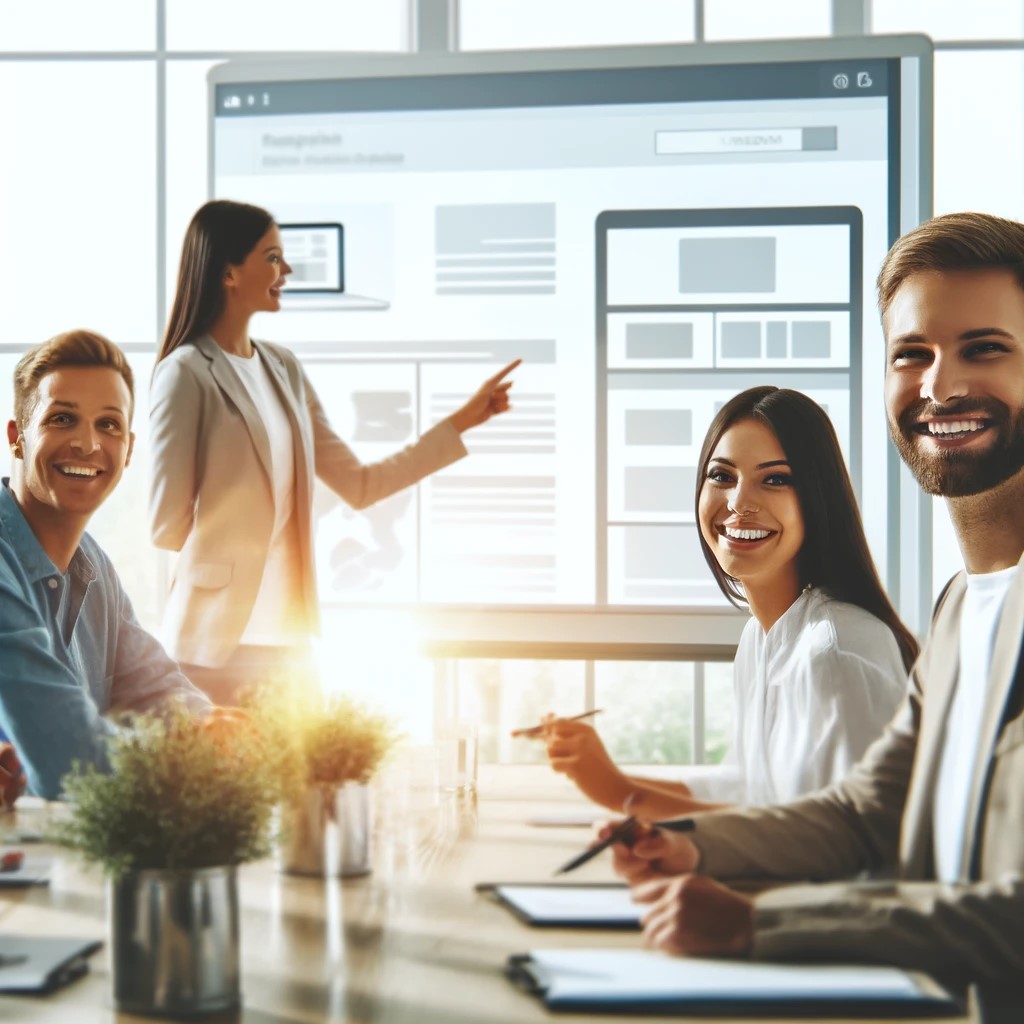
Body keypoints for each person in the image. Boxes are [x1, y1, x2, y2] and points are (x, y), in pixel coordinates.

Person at [610, 211, 1024, 984]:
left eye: (985, 348)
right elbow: (864, 812)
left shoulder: (840, 639)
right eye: (912, 354)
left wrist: (760, 923)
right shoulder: (963, 607)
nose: (940, 385)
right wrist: (694, 843)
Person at [150, 200, 519, 705]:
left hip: (290, 644)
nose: (288, 270)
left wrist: (460, 423)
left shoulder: (284, 368)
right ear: (230, 273)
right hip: (212, 646)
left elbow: (361, 484)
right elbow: (166, 523)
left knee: (307, 784)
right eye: (273, 257)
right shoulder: (186, 371)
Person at [541, 386, 916, 818]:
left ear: (817, 500)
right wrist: (603, 774)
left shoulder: (835, 652)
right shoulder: (762, 636)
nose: (739, 504)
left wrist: (617, 791)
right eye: (721, 476)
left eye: (775, 479)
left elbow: (843, 837)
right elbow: (747, 785)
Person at [1, 330, 211, 799]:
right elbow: (68, 758)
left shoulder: (93, 566)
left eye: (108, 425)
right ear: (17, 437)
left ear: (130, 449)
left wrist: (213, 730)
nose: (88, 444)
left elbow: (159, 690)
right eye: (62, 418)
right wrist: (199, 756)